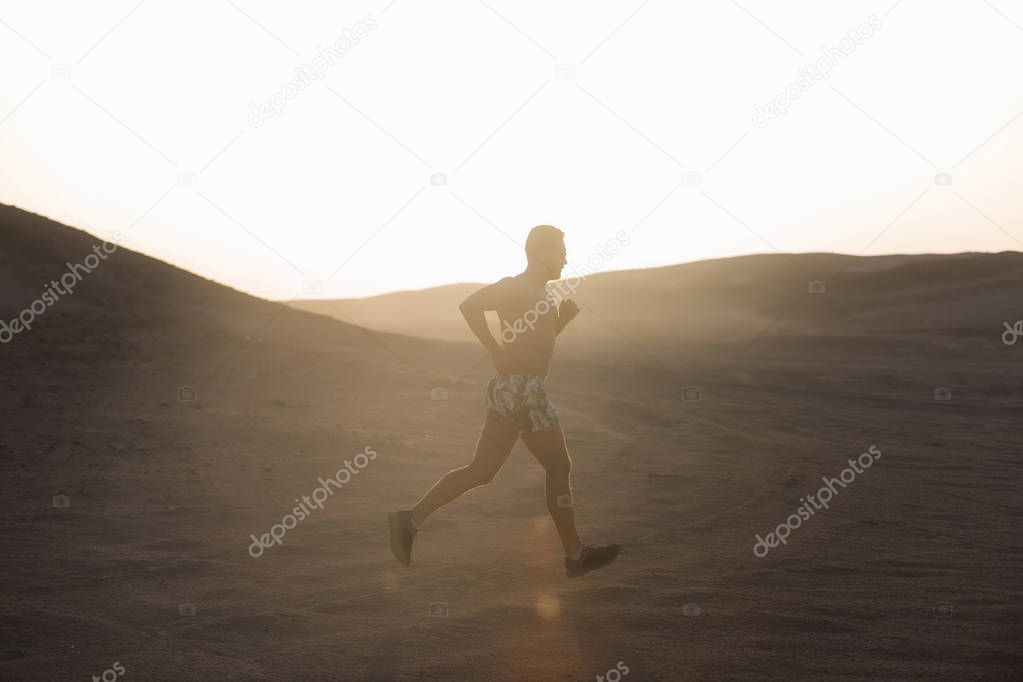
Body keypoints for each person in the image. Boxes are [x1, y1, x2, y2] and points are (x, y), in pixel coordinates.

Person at [388, 225, 621, 577]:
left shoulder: (541, 294)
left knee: (481, 471)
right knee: (559, 468)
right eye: (560, 251)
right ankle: (575, 557)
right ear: (540, 253)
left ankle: (409, 521)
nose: (566, 258)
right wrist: (493, 347)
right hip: (524, 392)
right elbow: (469, 306)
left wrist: (559, 324)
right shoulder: (516, 286)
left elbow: (531, 344)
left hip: (511, 391)